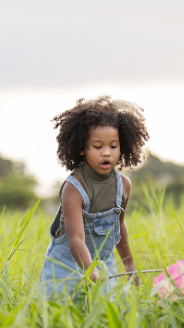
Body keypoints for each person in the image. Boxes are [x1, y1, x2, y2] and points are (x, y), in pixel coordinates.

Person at [39, 96, 149, 298]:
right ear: (82, 148)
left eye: (113, 146)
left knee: (104, 320)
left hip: (103, 265)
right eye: (98, 147)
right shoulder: (74, 188)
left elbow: (119, 227)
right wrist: (90, 271)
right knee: (64, 320)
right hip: (66, 267)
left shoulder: (123, 186)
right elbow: (76, 239)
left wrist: (130, 264)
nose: (106, 153)